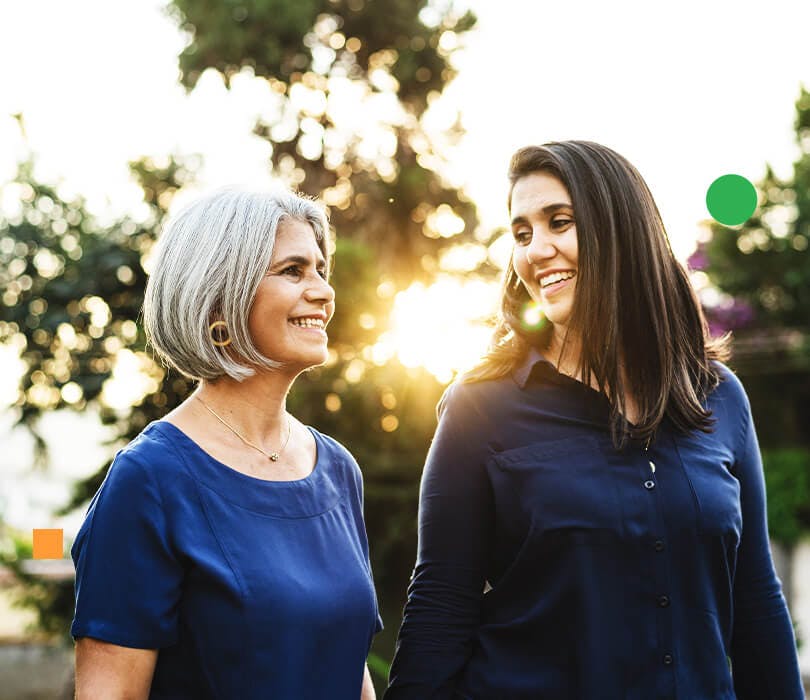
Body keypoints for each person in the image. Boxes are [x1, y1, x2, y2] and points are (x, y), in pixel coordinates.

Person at [385, 141, 804, 699]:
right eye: (522, 233)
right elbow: (441, 602)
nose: (536, 251)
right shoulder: (479, 406)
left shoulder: (719, 396)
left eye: (559, 222)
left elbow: (754, 598)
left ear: (622, 231)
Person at [71, 187, 382, 699]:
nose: (324, 291)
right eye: (293, 270)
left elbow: (352, 672)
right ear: (221, 296)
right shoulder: (149, 480)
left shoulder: (338, 471)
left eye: (321, 270)